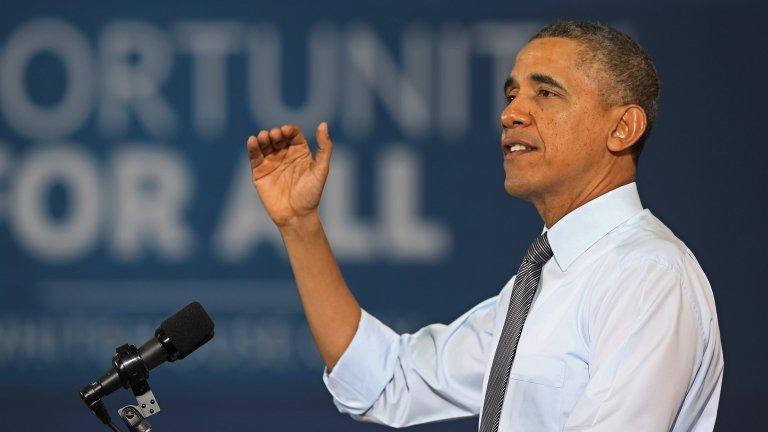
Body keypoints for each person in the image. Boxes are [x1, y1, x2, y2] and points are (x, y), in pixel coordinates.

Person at [245, 20, 723, 432]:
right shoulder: (544, 280)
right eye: (512, 93)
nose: (510, 113)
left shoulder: (647, 275)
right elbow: (388, 382)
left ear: (622, 129)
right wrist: (299, 224)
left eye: (546, 93)